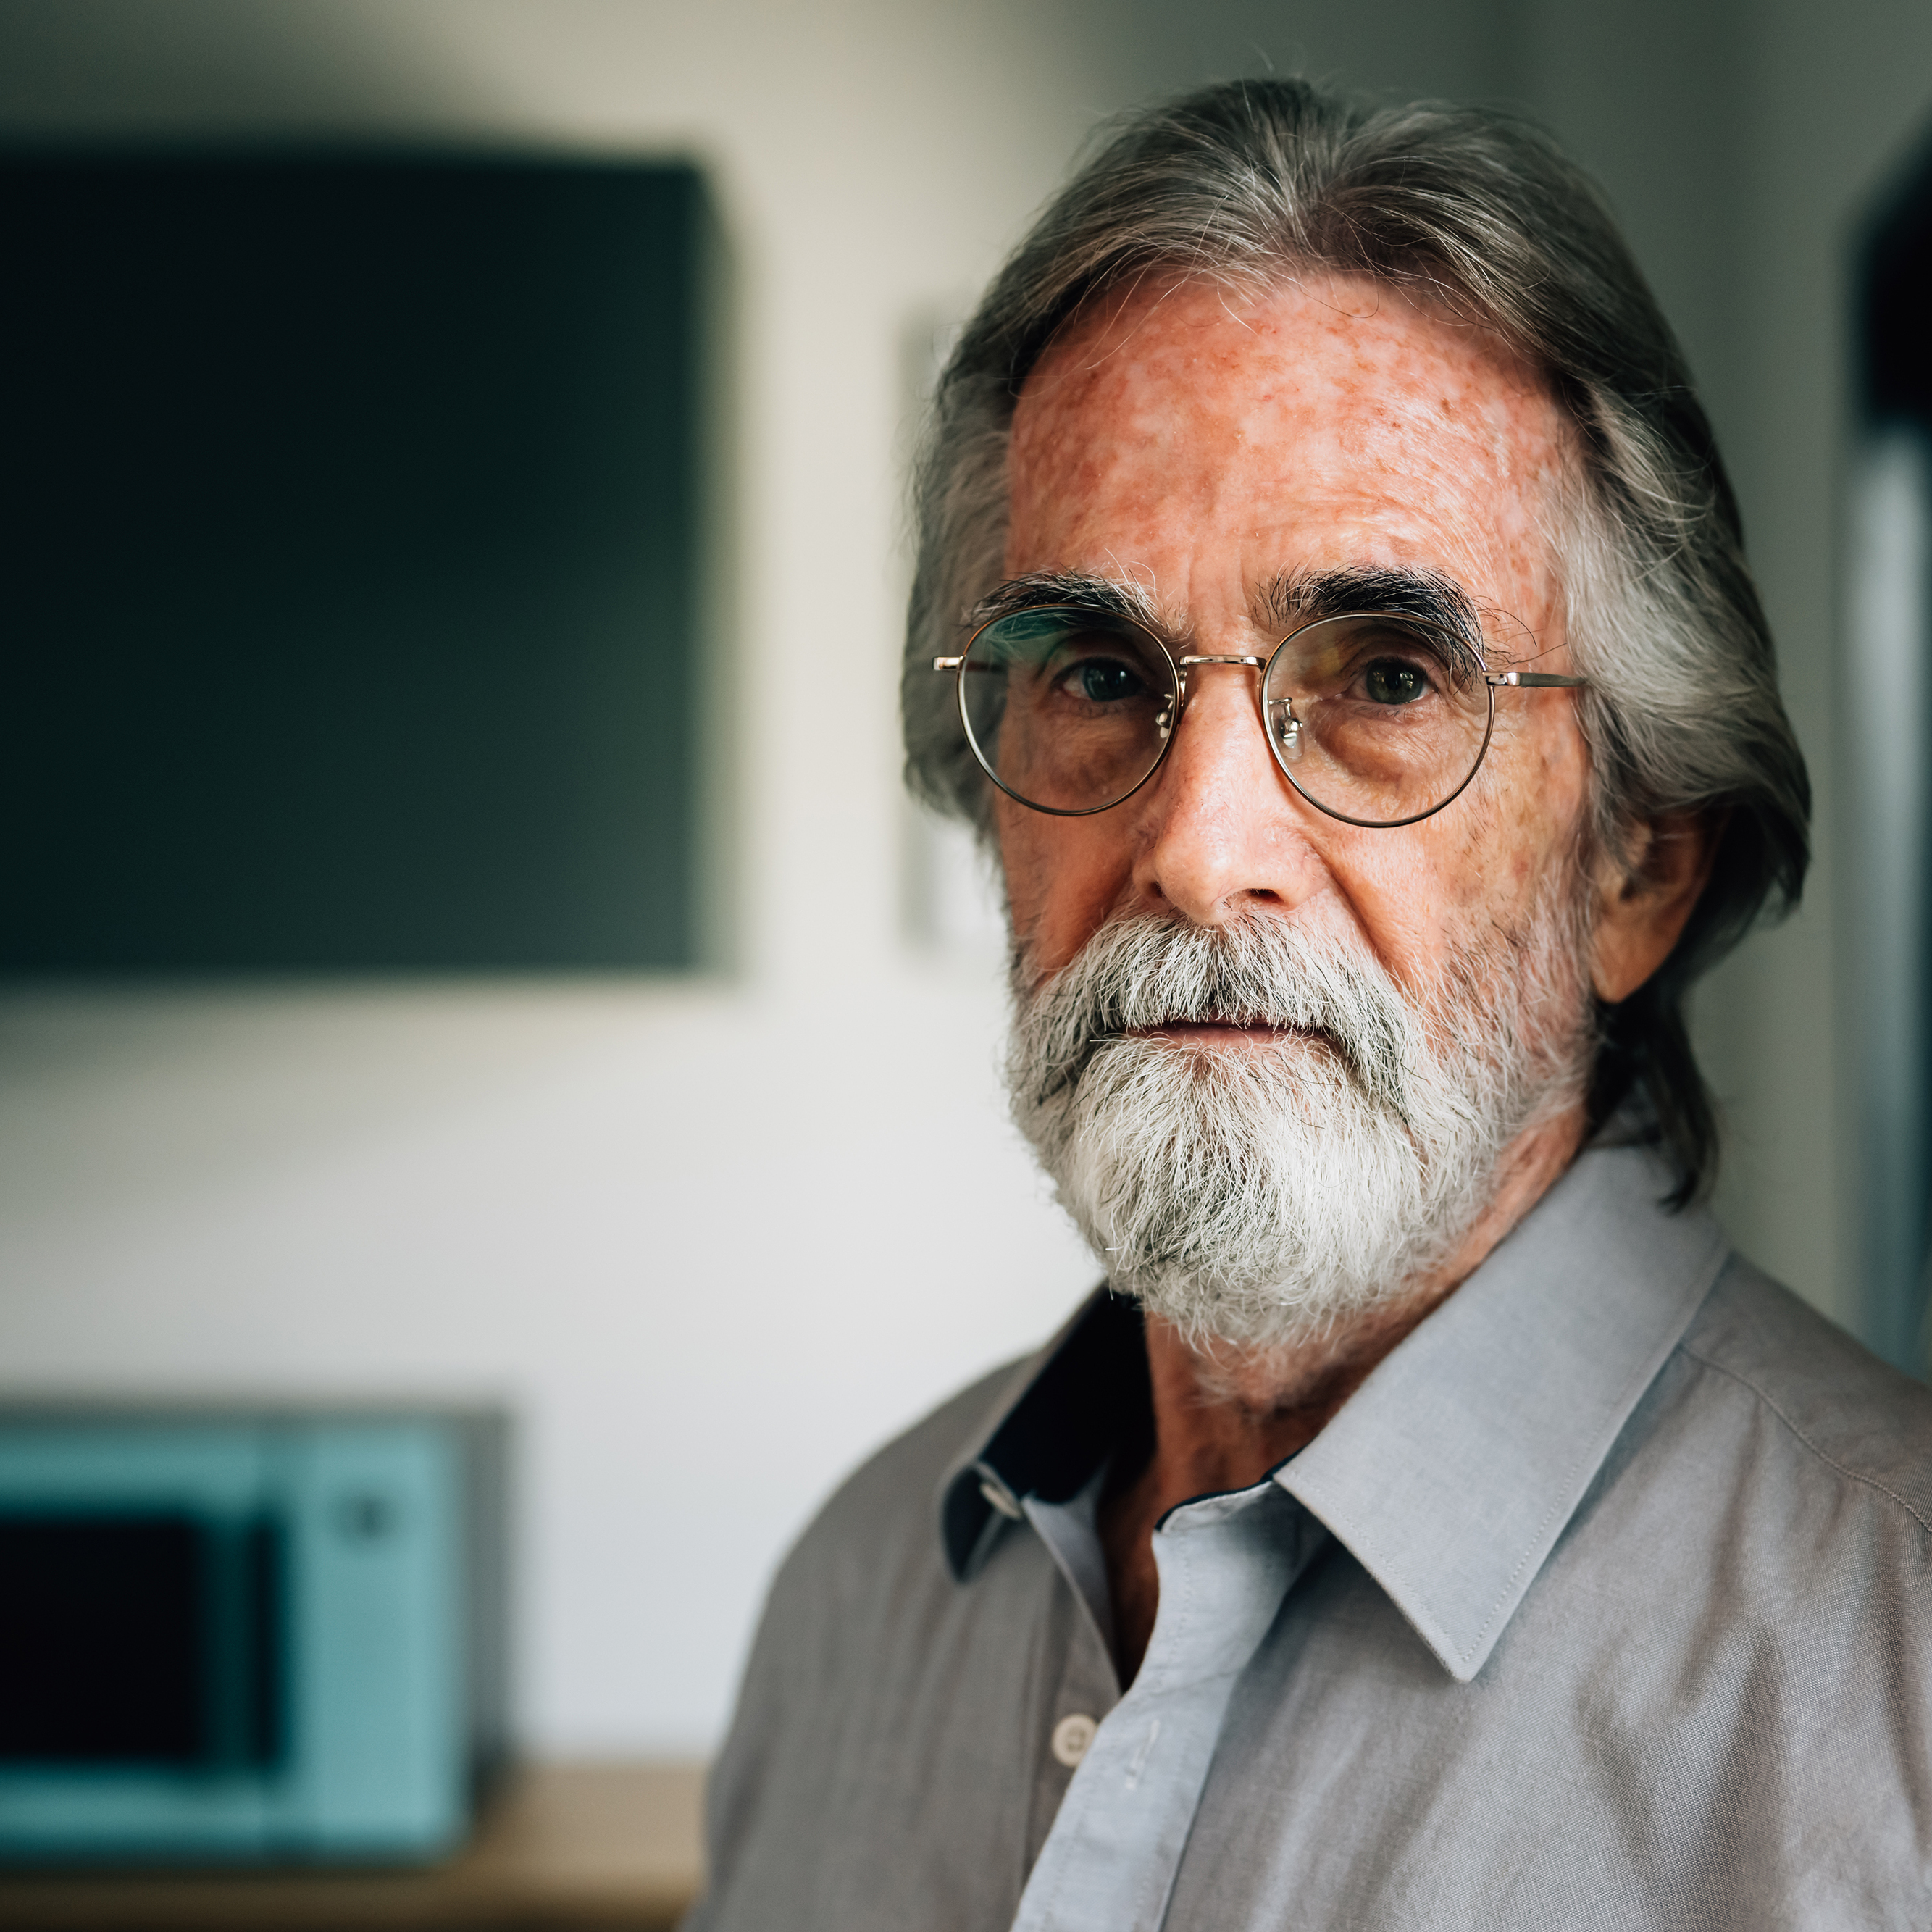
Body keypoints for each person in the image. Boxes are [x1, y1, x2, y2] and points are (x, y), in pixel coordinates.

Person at [684, 80, 1932, 1931]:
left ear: (1636, 868)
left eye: (1384, 672)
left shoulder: (1892, 1690)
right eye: (1098, 669)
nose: (1195, 844)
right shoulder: (856, 1593)